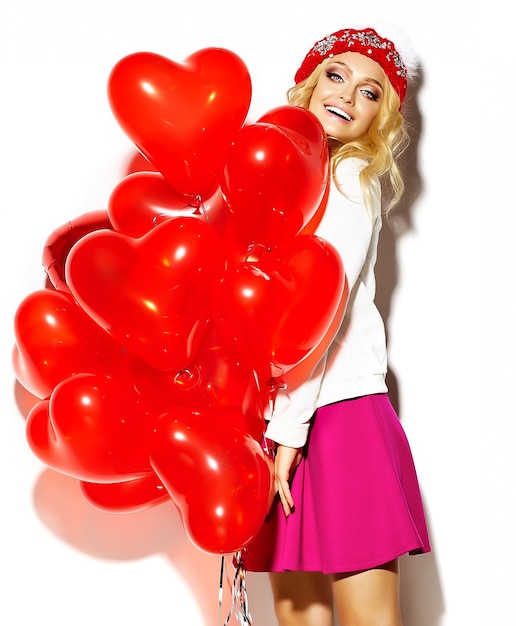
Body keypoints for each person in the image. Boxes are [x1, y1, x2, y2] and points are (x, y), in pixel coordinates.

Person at [244, 27, 431, 626]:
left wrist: (289, 433)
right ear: (310, 82)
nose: (349, 95)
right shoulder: (289, 176)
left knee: (366, 617)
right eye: (337, 75)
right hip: (281, 415)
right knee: (298, 612)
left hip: (337, 412)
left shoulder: (350, 181)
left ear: (381, 117)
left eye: (371, 92)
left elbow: (319, 318)